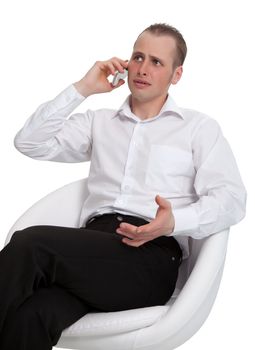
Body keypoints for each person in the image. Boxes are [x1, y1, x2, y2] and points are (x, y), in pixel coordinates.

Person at [0, 23, 246, 350]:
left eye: (157, 62)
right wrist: (83, 88)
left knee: (30, 245)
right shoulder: (99, 122)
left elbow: (232, 200)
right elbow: (29, 143)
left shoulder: (198, 128)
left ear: (176, 75)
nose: (143, 69)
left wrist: (172, 223)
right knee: (33, 315)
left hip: (150, 256)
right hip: (92, 249)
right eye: (138, 57)